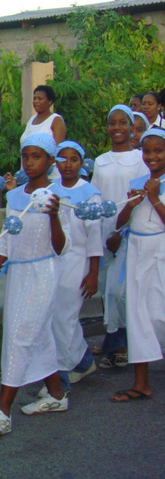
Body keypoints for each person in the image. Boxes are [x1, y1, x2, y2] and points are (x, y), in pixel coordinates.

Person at [0, 133, 70, 436]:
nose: (30, 163)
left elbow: (61, 247)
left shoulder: (58, 195)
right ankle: (56, 395)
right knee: (38, 332)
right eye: (26, 157)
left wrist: (55, 217)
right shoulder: (14, 196)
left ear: (49, 160)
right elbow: (7, 237)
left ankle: (2, 411)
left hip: (44, 273)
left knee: (20, 334)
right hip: (18, 274)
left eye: (37, 157)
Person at [110, 127, 165, 402]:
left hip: (161, 253)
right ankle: (141, 382)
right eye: (147, 151)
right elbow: (121, 223)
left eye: (158, 151)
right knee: (137, 316)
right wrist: (132, 205)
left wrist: (154, 197)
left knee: (159, 314)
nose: (151, 156)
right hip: (136, 253)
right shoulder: (138, 180)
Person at [92, 106, 146, 369]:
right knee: (106, 289)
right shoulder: (101, 161)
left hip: (127, 232)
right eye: (112, 123)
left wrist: (119, 232)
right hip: (104, 232)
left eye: (122, 123)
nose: (116, 128)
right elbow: (95, 198)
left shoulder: (139, 159)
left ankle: (125, 343)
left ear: (131, 126)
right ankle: (114, 342)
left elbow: (138, 199)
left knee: (121, 290)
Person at [48, 141, 102, 392]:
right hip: (55, 260)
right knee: (57, 315)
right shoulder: (50, 189)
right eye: (62, 159)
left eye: (73, 160)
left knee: (64, 315)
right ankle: (83, 361)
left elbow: (94, 237)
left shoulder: (89, 193)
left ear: (82, 164)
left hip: (78, 260)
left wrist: (93, 273)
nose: (67, 165)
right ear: (55, 162)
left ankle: (63, 373)